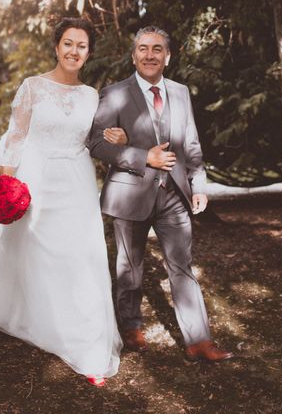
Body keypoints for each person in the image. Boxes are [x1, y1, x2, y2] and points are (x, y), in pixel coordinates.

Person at [0, 18, 123, 387]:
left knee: (79, 256)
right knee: (36, 251)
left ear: (88, 52)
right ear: (56, 46)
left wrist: (117, 136)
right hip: (36, 177)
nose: (75, 51)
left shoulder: (92, 95)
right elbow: (14, 138)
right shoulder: (33, 87)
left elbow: (97, 141)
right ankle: (41, 317)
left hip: (76, 179)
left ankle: (85, 340)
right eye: (68, 43)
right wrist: (7, 185)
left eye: (82, 45)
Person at [88, 26, 234, 362]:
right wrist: (142, 156)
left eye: (157, 49)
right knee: (130, 267)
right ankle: (130, 327)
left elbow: (191, 143)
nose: (149, 55)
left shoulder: (181, 92)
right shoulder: (114, 93)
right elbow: (95, 143)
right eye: (143, 48)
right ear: (133, 54)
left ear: (167, 56)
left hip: (174, 194)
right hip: (129, 193)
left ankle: (198, 341)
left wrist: (198, 184)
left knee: (182, 265)